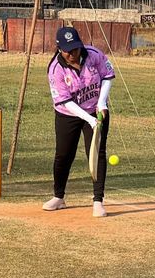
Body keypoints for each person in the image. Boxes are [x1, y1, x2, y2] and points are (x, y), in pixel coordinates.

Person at [44, 26, 115, 217]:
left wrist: (101, 103)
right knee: (63, 155)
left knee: (97, 152)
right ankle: (58, 197)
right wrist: (89, 119)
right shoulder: (55, 69)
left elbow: (108, 76)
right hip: (68, 113)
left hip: (96, 109)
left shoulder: (94, 55)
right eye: (68, 51)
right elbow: (65, 101)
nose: (73, 54)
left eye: (75, 49)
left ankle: (98, 201)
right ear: (60, 49)